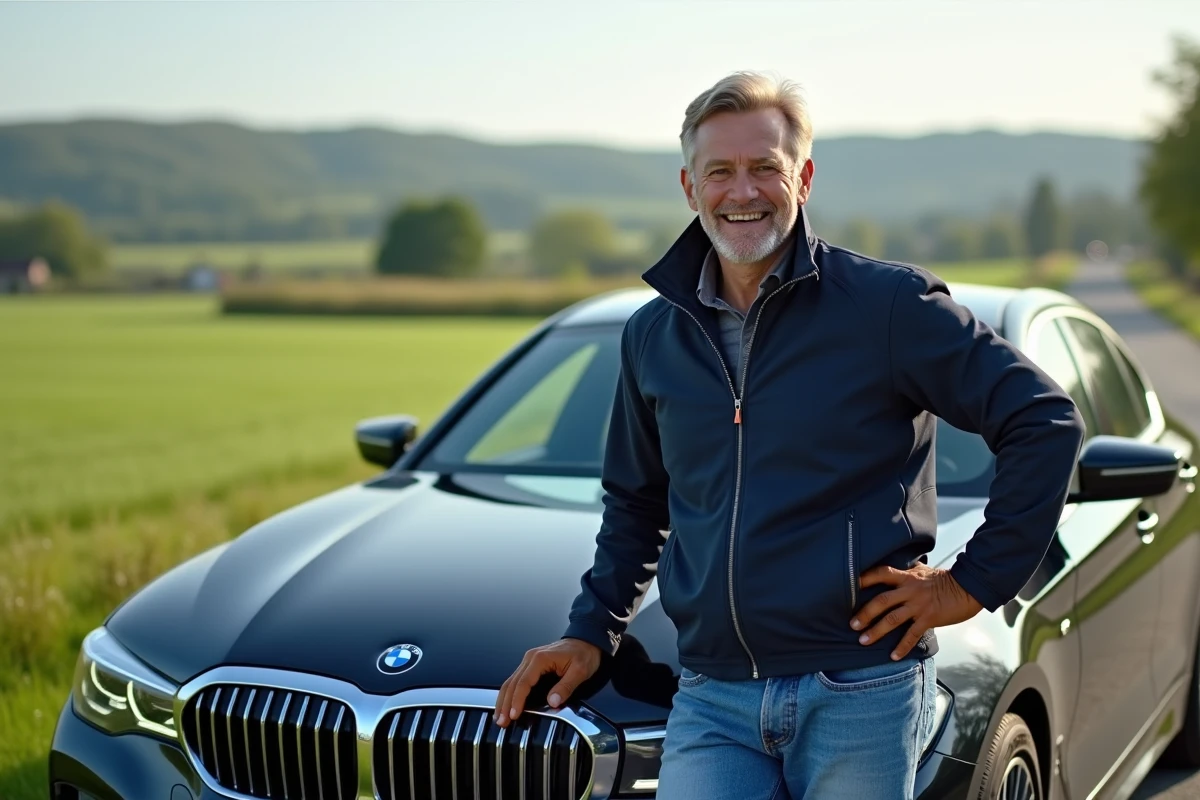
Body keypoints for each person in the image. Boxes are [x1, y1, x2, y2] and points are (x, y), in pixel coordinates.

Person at [494, 71, 1085, 799]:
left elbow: (1044, 419)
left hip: (860, 689)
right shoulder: (652, 336)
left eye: (764, 168)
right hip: (712, 694)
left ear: (802, 178)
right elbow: (638, 504)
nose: (742, 191)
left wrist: (971, 584)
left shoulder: (888, 306)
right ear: (689, 187)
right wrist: (591, 631)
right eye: (720, 171)